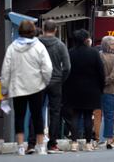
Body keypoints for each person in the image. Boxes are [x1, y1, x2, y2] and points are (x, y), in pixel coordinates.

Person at [1, 20, 53, 156]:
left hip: (17, 86)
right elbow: (47, 68)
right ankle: (41, 146)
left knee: (19, 116)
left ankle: (20, 146)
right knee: (37, 116)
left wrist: (4, 88)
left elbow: (6, 69)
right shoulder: (39, 46)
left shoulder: (12, 47)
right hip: (36, 85)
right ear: (33, 31)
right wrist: (45, 81)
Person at [27, 20, 71, 154]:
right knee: (55, 112)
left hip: (39, 81)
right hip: (56, 81)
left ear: (43, 28)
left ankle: (31, 143)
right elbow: (67, 67)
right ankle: (52, 144)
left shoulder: (35, 44)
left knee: (36, 111)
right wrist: (61, 80)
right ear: (56, 30)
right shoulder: (60, 45)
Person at [62, 29, 105, 152]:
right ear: (86, 39)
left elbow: (66, 70)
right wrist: (100, 88)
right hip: (91, 89)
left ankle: (74, 142)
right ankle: (87, 143)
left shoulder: (70, 53)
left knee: (75, 115)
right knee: (87, 116)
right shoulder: (94, 53)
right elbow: (101, 73)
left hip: (73, 89)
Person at [99, 36, 114, 149]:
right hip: (110, 89)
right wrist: (106, 81)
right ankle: (108, 139)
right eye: (113, 44)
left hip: (98, 89)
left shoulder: (99, 56)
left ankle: (100, 138)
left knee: (98, 115)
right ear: (108, 45)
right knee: (109, 115)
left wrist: (100, 82)